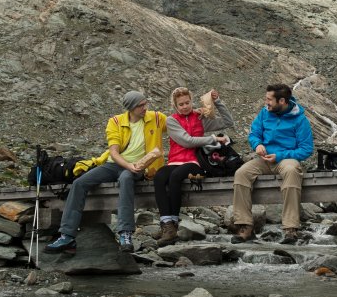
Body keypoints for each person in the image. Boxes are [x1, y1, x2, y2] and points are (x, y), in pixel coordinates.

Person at [45, 90, 167, 255]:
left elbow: (179, 123)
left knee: (125, 179)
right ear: (131, 108)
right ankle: (67, 236)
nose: (145, 107)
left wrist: (202, 112)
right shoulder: (115, 122)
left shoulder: (156, 118)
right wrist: (128, 166)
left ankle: (125, 233)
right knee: (79, 183)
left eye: (145, 103)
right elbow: (114, 153)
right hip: (115, 164)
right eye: (140, 105)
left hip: (140, 166)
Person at [231, 83, 314, 245]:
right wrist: (257, 145)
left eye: (269, 99)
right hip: (264, 159)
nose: (266, 102)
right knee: (241, 173)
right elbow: (254, 133)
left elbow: (306, 149)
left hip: (285, 159)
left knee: (291, 171)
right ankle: (245, 227)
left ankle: (290, 229)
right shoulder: (264, 113)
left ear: (281, 101)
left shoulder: (300, 120)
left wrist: (280, 155)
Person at [154, 87, 233, 247]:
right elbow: (186, 141)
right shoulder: (171, 120)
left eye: (187, 102)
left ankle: (172, 226)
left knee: (176, 176)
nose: (185, 106)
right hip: (175, 161)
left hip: (195, 163)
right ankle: (166, 223)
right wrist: (212, 138)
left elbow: (228, 121)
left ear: (191, 101)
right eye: (181, 104)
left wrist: (217, 102)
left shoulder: (200, 117)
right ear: (175, 106)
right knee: (160, 176)